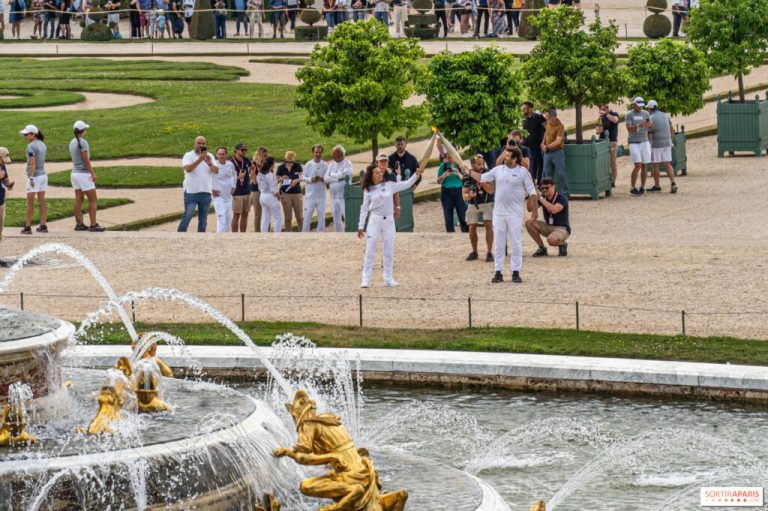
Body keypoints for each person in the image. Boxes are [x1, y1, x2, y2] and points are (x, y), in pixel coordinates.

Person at [469, 146, 537, 284]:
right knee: (499, 244)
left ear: (515, 159)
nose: (505, 158)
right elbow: (482, 178)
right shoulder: (498, 170)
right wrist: (468, 172)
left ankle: (515, 272)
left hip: (515, 214)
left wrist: (534, 210)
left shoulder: (523, 172)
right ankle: (498, 272)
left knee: (516, 243)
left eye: (508, 156)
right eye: (505, 155)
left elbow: (532, 192)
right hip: (499, 213)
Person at [358, 153, 423, 288]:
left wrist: (416, 175)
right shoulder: (368, 190)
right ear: (371, 175)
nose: (380, 174)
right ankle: (365, 279)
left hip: (389, 221)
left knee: (388, 250)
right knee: (370, 251)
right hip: (374, 221)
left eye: (380, 172)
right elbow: (364, 208)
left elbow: (406, 184)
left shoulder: (389, 185)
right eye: (377, 173)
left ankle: (388, 278)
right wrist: (360, 226)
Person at [68, 121, 105, 232]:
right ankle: (93, 225)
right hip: (83, 174)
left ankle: (79, 224)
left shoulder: (72, 142)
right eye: (85, 129)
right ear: (83, 131)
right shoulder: (83, 142)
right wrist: (92, 173)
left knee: (79, 200)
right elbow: (86, 160)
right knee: (93, 200)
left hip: (74, 174)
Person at [525, 176, 570, 257]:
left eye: (547, 188)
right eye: (543, 188)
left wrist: (540, 197)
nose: (544, 190)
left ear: (553, 186)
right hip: (548, 226)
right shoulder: (543, 198)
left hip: (562, 228)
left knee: (551, 240)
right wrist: (531, 195)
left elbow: (554, 209)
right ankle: (542, 248)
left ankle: (562, 244)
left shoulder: (561, 198)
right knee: (529, 223)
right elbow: (530, 209)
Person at [461, 154, 494, 262]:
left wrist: (481, 181)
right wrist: (470, 195)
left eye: (482, 163)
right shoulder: (466, 176)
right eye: (479, 164)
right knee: (471, 227)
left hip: (487, 203)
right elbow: (464, 195)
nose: (481, 166)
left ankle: (489, 252)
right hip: (473, 204)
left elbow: (491, 190)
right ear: (472, 165)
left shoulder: (488, 173)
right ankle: (474, 251)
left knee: (488, 224)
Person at [178, 136, 214, 232]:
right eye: (199, 143)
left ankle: (201, 237)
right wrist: (199, 159)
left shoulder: (210, 156)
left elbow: (216, 171)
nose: (201, 145)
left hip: (206, 191)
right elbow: (188, 169)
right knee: (188, 215)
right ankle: (179, 235)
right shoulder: (188, 155)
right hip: (191, 192)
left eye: (203, 143)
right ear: (195, 144)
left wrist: (209, 163)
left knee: (203, 220)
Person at [19, 125, 48, 235]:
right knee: (42, 201)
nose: (25, 136)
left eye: (26, 134)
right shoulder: (42, 144)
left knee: (30, 202)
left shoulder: (31, 146)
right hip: (43, 175)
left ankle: (28, 227)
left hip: (35, 177)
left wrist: (31, 177)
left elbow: (32, 163)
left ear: (33, 134)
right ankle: (43, 225)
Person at [647, 100, 678, 194]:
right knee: (667, 164)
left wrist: (649, 144)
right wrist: (670, 141)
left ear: (650, 108)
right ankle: (673, 183)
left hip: (656, 144)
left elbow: (649, 133)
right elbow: (672, 130)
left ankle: (657, 186)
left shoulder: (651, 118)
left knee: (655, 165)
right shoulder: (665, 115)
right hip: (667, 143)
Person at [626, 96, 653, 196]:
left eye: (641, 105)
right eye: (638, 105)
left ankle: (642, 186)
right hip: (633, 142)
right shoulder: (629, 114)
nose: (640, 107)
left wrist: (650, 125)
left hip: (644, 141)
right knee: (637, 165)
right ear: (634, 105)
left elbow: (651, 126)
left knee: (645, 164)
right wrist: (638, 126)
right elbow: (628, 128)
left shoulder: (646, 113)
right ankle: (633, 187)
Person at [437, 154, 468, 233]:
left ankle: (466, 233)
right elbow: (439, 181)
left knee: (463, 214)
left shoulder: (460, 165)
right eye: (449, 157)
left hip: (459, 191)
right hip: (446, 192)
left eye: (452, 156)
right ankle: (450, 234)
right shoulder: (443, 166)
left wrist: (458, 173)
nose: (451, 159)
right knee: (448, 216)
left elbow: (466, 180)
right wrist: (444, 175)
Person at [325, 144, 353, 232]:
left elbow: (344, 174)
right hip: (333, 196)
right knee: (336, 220)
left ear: (341, 154)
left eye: (335, 153)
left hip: (344, 196)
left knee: (347, 217)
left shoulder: (347, 163)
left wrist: (332, 175)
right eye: (333, 153)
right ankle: (339, 235)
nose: (333, 155)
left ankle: (350, 233)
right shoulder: (331, 165)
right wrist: (337, 179)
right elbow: (325, 179)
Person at [302, 144, 328, 232]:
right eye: (316, 152)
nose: (318, 154)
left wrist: (323, 179)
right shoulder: (308, 164)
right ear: (313, 153)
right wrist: (311, 179)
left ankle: (320, 234)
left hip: (321, 195)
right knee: (307, 216)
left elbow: (328, 178)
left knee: (321, 217)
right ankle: (305, 233)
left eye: (320, 152)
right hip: (310, 195)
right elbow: (303, 177)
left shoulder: (325, 165)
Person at [541, 108, 567, 196]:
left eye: (548, 117)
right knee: (547, 175)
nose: (546, 118)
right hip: (547, 153)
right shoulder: (548, 123)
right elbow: (546, 133)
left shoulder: (560, 126)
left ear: (553, 117)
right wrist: (543, 143)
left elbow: (558, 141)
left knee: (561, 174)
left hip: (557, 152)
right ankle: (548, 193)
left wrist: (547, 147)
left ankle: (564, 194)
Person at [210, 146, 235, 233]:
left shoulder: (230, 164)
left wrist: (234, 186)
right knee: (221, 219)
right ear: (217, 155)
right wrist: (211, 189)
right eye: (219, 154)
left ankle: (225, 237)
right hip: (218, 197)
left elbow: (234, 175)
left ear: (226, 154)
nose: (221, 156)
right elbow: (207, 178)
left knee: (228, 219)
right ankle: (220, 237)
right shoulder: (214, 166)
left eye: (223, 154)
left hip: (228, 197)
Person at [277, 151, 303, 232]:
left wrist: (297, 180)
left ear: (294, 160)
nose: (289, 163)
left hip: (297, 193)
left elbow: (303, 177)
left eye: (291, 162)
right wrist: (282, 178)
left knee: (299, 217)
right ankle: (289, 234)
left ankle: (302, 234)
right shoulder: (280, 167)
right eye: (287, 161)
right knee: (288, 217)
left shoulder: (298, 166)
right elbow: (276, 180)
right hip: (285, 194)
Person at [595, 103, 620, 188]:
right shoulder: (600, 118)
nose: (601, 111)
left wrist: (606, 114)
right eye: (600, 109)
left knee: (612, 162)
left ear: (607, 107)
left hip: (612, 141)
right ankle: (604, 180)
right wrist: (599, 130)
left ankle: (612, 181)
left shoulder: (614, 114)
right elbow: (597, 130)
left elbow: (615, 120)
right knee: (602, 161)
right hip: (602, 141)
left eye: (602, 109)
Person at [521, 101, 546, 185]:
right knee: (529, 168)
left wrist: (543, 142)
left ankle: (538, 184)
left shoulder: (539, 117)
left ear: (530, 109)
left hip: (537, 147)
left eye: (524, 108)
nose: (522, 110)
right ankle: (531, 185)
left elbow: (547, 130)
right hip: (526, 148)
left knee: (537, 167)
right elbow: (524, 133)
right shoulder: (525, 120)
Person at [257, 156, 282, 232]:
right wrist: (279, 197)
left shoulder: (260, 174)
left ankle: (263, 235)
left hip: (262, 195)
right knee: (277, 217)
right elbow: (273, 189)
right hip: (270, 196)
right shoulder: (270, 174)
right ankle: (277, 235)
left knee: (266, 217)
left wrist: (279, 179)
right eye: (274, 163)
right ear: (271, 164)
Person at [230, 142, 251, 232]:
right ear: (236, 150)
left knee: (245, 214)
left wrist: (252, 178)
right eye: (242, 150)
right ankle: (235, 235)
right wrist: (238, 177)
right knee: (236, 215)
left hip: (247, 191)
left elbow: (253, 168)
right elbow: (227, 178)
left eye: (246, 150)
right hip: (237, 192)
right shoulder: (231, 163)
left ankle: (243, 235)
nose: (244, 151)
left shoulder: (246, 160)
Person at [0, 148, 16, 243]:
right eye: (3, 160)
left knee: (1, 217)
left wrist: (8, 184)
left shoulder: (2, 165)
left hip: (1, 195)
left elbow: (5, 178)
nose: (3, 163)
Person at [250, 146, 267, 231]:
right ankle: (257, 232)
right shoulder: (253, 164)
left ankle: (266, 231)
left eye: (266, 155)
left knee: (267, 213)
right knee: (258, 214)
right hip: (256, 190)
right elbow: (254, 181)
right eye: (265, 155)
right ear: (260, 155)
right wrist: (253, 171)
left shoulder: (267, 164)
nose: (266, 157)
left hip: (266, 191)